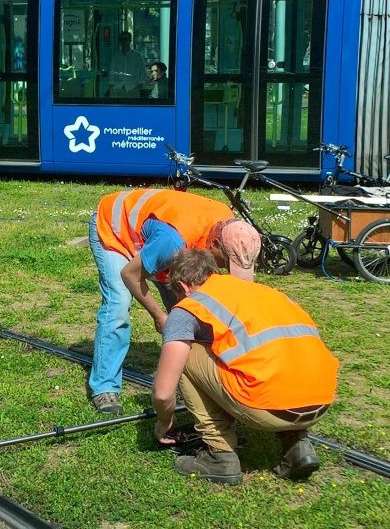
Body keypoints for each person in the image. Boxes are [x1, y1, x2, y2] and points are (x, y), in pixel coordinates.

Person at [152, 249, 339, 484]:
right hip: (322, 399)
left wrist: (165, 421)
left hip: (269, 406)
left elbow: (163, 392)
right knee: (276, 361)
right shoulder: (261, 291)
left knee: (184, 357)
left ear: (183, 286)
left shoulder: (189, 307)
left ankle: (219, 455)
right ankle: (297, 445)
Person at [87, 188, 262, 415]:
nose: (225, 269)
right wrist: (159, 316)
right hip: (115, 229)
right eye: (226, 263)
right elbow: (130, 275)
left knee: (192, 309)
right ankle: (104, 387)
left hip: (161, 242)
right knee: (118, 304)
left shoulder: (229, 226)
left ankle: (196, 380)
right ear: (215, 244)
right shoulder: (172, 241)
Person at [106, 31, 145, 98]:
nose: (123, 42)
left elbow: (143, 71)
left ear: (130, 40)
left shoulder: (137, 56)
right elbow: (112, 71)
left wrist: (140, 84)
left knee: (132, 108)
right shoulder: (115, 56)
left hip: (132, 88)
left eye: (125, 39)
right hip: (117, 88)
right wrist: (111, 85)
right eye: (121, 39)